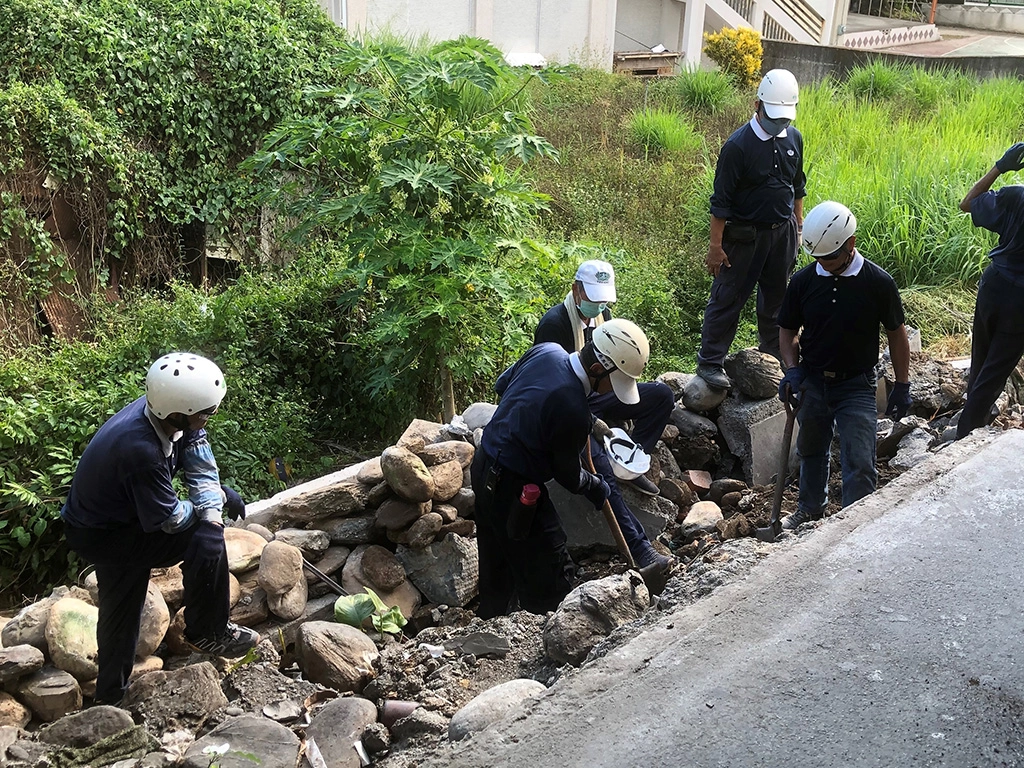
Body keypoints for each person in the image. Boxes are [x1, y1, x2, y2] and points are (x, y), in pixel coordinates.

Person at [61, 352, 259, 705]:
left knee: (123, 605)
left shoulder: (166, 412)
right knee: (203, 539)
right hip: (102, 533)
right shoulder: (139, 447)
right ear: (180, 412)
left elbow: (199, 461)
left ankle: (109, 700)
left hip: (123, 516)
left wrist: (213, 498)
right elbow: (170, 518)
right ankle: (207, 630)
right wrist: (210, 518)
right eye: (206, 413)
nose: (210, 417)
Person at [471, 319, 651, 618]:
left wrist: (568, 421)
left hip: (484, 466)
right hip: (516, 489)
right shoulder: (571, 405)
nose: (611, 392)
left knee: (498, 560)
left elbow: (504, 386)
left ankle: (492, 624)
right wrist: (597, 486)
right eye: (613, 382)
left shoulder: (546, 351)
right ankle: (553, 634)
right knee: (550, 573)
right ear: (598, 369)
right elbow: (567, 475)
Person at [776, 201, 911, 530]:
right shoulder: (804, 282)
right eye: (819, 258)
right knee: (811, 450)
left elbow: (897, 334)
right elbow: (787, 331)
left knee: (860, 460)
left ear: (850, 243)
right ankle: (810, 507)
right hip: (813, 381)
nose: (825, 264)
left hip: (856, 385)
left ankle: (856, 525)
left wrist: (902, 384)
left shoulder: (877, 282)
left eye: (831, 257)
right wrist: (792, 369)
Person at [534, 259, 673, 570]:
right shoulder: (554, 324)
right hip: (569, 406)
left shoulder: (604, 317)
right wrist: (591, 424)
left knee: (661, 396)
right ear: (576, 290)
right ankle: (640, 550)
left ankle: (633, 462)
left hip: (601, 391)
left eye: (603, 301)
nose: (599, 307)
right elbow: (552, 387)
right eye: (594, 299)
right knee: (600, 470)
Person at [697, 69, 806, 391]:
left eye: (785, 118)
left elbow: (797, 186)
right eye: (774, 117)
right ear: (756, 104)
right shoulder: (738, 146)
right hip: (744, 237)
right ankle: (710, 362)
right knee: (728, 298)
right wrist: (716, 247)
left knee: (777, 298)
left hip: (781, 232)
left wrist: (797, 228)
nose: (780, 124)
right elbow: (721, 203)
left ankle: (773, 352)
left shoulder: (794, 138)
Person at [955, 142, 1024, 439]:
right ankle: (965, 435)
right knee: (994, 373)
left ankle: (972, 421)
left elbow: (968, 203)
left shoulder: (1016, 197)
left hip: (994, 285)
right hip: (1020, 302)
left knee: (981, 358)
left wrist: (999, 166)